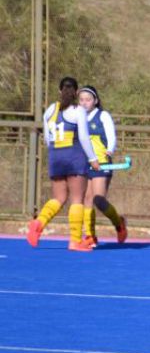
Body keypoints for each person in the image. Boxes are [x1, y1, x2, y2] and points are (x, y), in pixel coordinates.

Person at [26, 76, 100, 251]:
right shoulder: (78, 110)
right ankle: (75, 240)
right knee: (77, 199)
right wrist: (92, 158)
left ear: (60, 91)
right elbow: (83, 137)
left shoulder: (50, 110)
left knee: (58, 198)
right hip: (74, 156)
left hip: (55, 156)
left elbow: (46, 139)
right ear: (76, 92)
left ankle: (38, 223)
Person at [78, 85, 127, 247]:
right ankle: (90, 236)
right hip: (87, 164)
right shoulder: (79, 118)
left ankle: (119, 223)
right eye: (81, 100)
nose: (84, 103)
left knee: (99, 199)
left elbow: (111, 135)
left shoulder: (103, 115)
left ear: (95, 101)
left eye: (88, 100)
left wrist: (110, 149)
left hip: (102, 162)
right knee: (87, 199)